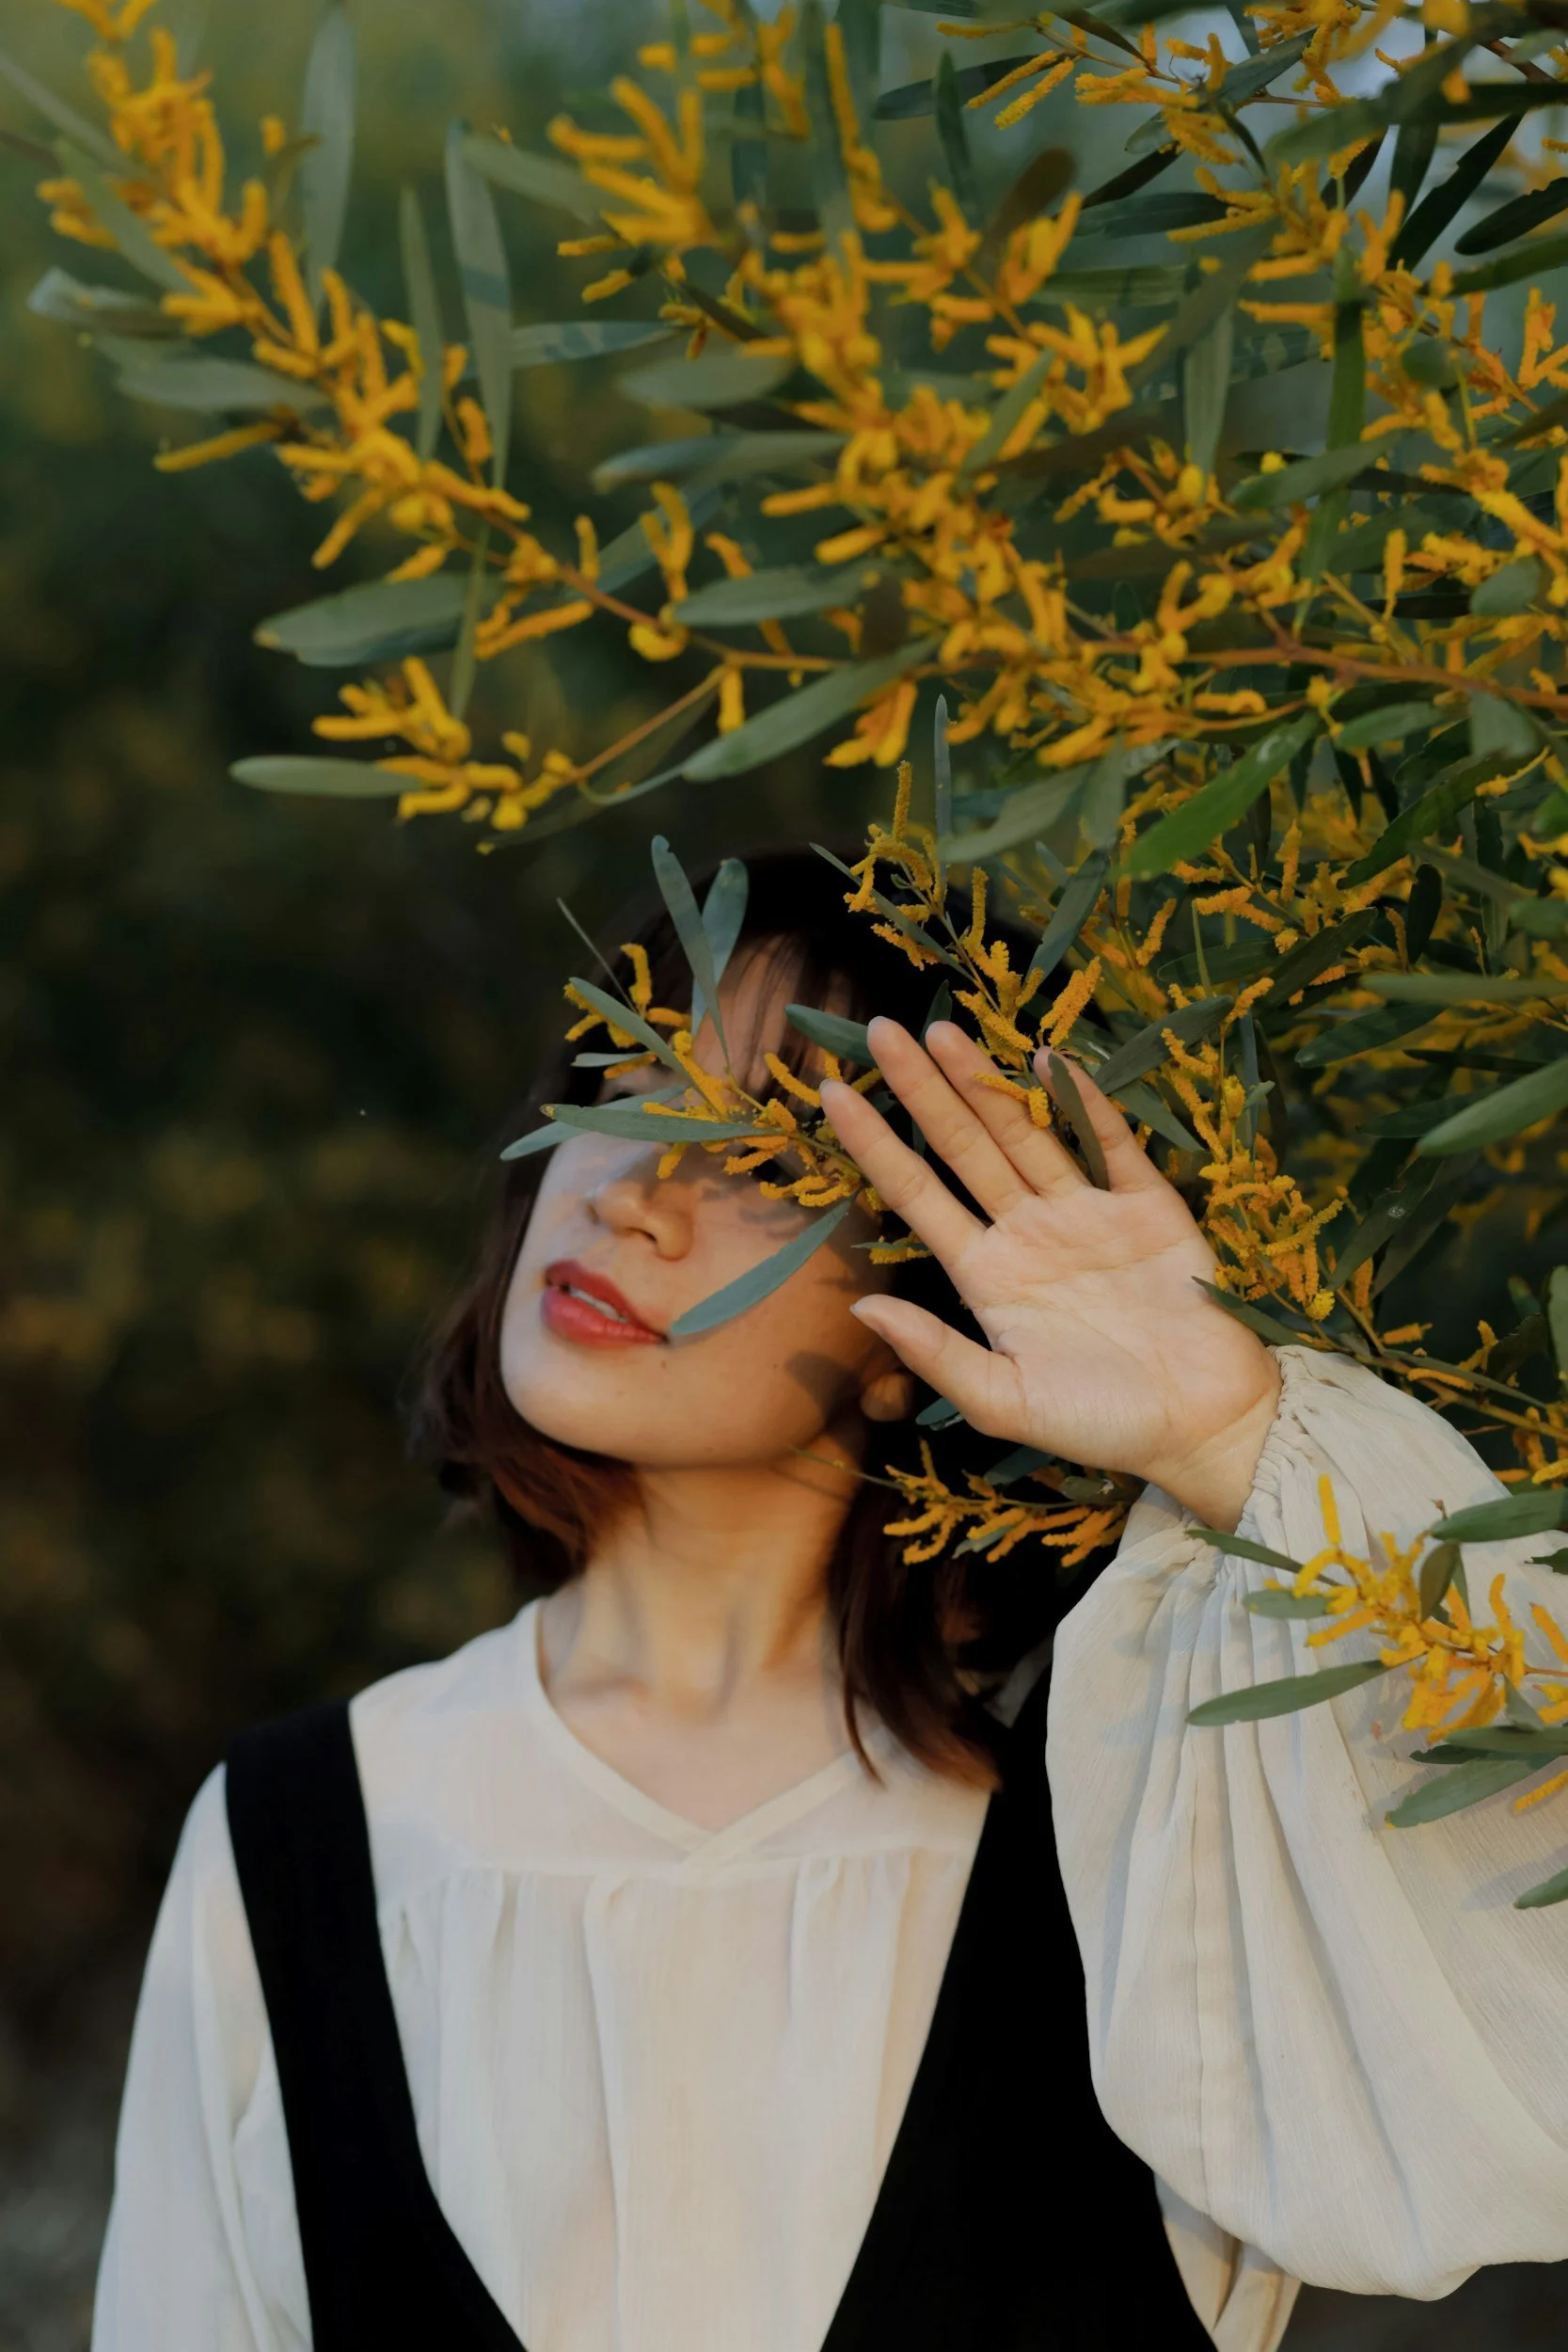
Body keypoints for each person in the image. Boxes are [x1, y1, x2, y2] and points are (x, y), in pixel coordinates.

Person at [91, 850, 1568, 2352]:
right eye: (623, 1077)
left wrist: (1228, 1437)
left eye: (762, 1158)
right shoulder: (296, 1840)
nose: (634, 1196)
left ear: (925, 1311)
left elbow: (1529, 2024)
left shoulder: (1153, 1857)